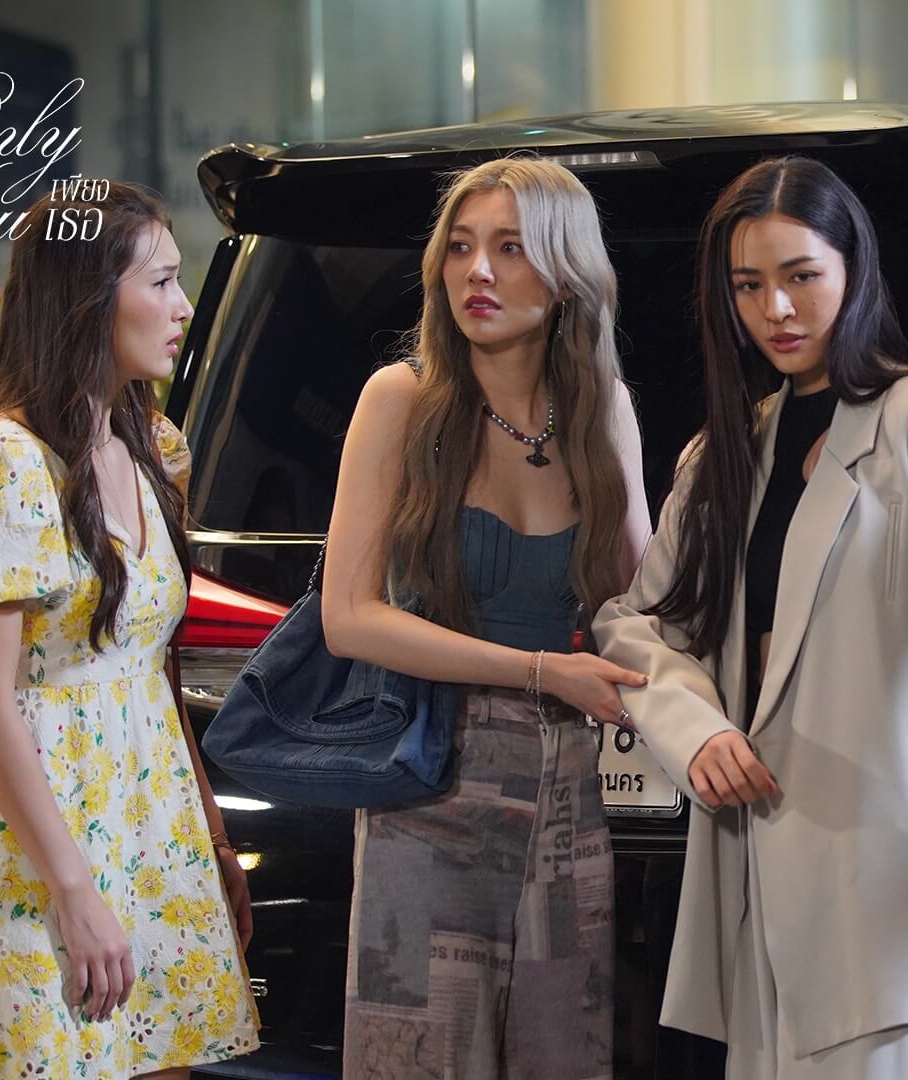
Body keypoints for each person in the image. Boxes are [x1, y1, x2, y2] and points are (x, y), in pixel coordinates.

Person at [593, 156, 908, 1080]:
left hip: (886, 881)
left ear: (854, 270)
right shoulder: (725, 452)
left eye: (801, 275)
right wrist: (693, 728)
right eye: (748, 286)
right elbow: (632, 623)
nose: (776, 309)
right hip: (748, 873)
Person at [0, 182, 259, 1078]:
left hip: (153, 824)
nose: (183, 307)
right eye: (162, 282)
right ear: (88, 297)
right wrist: (70, 887)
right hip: (39, 844)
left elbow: (153, 669)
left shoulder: (153, 448)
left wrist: (212, 838)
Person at [322, 156, 651, 1079]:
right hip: (430, 783)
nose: (478, 272)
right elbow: (350, 618)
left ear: (566, 273)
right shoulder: (401, 400)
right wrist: (544, 671)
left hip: (568, 788)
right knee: (415, 1062)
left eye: (510, 249)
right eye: (461, 247)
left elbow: (641, 608)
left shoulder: (602, 410)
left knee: (566, 1060)